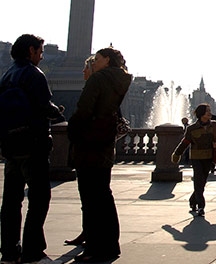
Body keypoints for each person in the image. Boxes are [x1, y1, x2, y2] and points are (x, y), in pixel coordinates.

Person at [0, 34, 64, 264]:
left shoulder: (7, 74)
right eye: (40, 51)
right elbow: (43, 105)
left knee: (11, 202)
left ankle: (9, 251)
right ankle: (33, 251)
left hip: (10, 147)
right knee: (39, 199)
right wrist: (57, 111)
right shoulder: (34, 74)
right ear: (30, 50)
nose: (41, 55)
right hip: (33, 144)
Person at [67, 47, 132, 263]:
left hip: (89, 142)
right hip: (105, 142)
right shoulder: (119, 80)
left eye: (97, 58)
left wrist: (72, 130)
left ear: (107, 60)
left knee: (91, 198)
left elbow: (84, 109)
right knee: (104, 196)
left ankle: (94, 248)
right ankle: (110, 245)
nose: (94, 61)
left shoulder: (98, 80)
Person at [64, 55, 96, 247]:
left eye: (87, 68)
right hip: (90, 149)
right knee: (90, 197)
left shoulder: (96, 89)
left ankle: (95, 238)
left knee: (93, 196)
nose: (83, 72)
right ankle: (89, 233)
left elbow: (83, 116)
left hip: (91, 149)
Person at [171, 103, 216, 217]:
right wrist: (177, 154)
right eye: (207, 111)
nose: (210, 113)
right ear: (201, 114)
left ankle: (193, 200)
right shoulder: (191, 128)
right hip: (196, 157)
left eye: (210, 110)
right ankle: (201, 206)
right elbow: (185, 142)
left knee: (202, 182)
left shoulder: (214, 125)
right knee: (198, 180)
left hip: (209, 157)